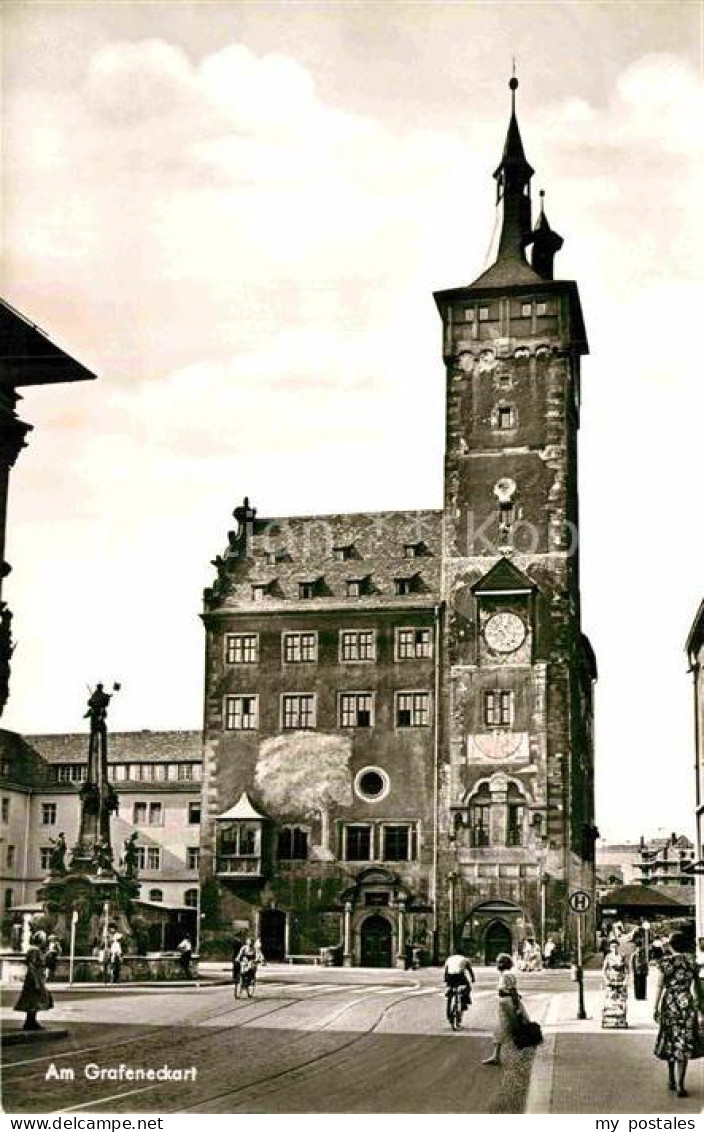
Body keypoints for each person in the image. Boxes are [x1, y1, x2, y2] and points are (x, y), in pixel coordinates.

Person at [653, 930, 704, 1098]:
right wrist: (699, 1009)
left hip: (670, 1004)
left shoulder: (665, 962)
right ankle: (681, 1084)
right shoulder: (691, 962)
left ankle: (671, 1079)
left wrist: (655, 1007)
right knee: (684, 1041)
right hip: (686, 1004)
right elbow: (697, 988)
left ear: (672, 945)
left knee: (670, 1040)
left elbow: (659, 986)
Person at [482, 953, 528, 1066]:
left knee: (510, 1027)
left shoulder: (507, 974)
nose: (497, 964)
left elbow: (512, 990)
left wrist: (516, 1006)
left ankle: (519, 1054)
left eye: (500, 962)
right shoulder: (505, 974)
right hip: (505, 1002)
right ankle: (497, 1055)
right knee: (504, 1027)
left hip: (508, 1003)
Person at [13, 932, 54, 1031]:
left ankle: (32, 1021)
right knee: (33, 1000)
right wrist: (35, 981)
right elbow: (32, 966)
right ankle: (29, 1022)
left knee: (35, 1000)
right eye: (44, 939)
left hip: (37, 977)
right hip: (34, 978)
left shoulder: (37, 950)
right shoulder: (34, 951)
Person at [443, 950, 476, 1026]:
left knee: (451, 989)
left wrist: (445, 979)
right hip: (460, 976)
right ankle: (465, 1001)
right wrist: (473, 978)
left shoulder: (449, 958)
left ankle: (449, 992)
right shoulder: (465, 959)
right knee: (467, 987)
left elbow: (446, 969)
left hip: (450, 976)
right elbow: (470, 970)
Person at [602, 939, 628, 1028]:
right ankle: (610, 1020)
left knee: (621, 1001)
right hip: (611, 980)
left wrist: (626, 980)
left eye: (616, 947)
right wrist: (606, 979)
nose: (615, 949)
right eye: (613, 947)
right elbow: (604, 970)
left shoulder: (622, 956)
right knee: (611, 1000)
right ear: (610, 948)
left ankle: (621, 1020)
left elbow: (627, 970)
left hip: (621, 980)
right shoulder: (608, 957)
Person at [630, 933, 649, 1001]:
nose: (639, 949)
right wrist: (633, 971)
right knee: (637, 984)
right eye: (638, 947)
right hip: (637, 971)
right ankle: (638, 996)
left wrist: (647, 970)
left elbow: (646, 962)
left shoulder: (644, 954)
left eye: (640, 947)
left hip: (643, 971)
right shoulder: (634, 955)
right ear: (636, 948)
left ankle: (643, 995)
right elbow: (631, 963)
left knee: (643, 983)